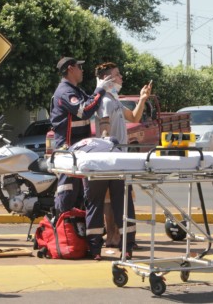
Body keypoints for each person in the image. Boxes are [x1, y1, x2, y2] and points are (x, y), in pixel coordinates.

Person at [92, 62, 152, 257]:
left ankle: (118, 235)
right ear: (107, 79)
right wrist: (108, 146)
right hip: (111, 156)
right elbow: (104, 127)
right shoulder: (104, 101)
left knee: (121, 198)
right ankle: (111, 237)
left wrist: (143, 99)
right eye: (117, 75)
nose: (121, 78)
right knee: (110, 199)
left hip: (120, 156)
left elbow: (134, 117)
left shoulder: (114, 99)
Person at [50, 56, 114, 220]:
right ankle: (64, 235)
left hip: (78, 154)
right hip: (69, 153)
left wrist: (99, 92)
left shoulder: (76, 91)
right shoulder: (66, 92)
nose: (82, 70)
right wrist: (100, 90)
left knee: (80, 199)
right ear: (71, 69)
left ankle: (77, 238)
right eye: (79, 67)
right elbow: (85, 110)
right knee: (68, 198)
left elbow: (91, 103)